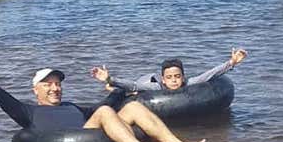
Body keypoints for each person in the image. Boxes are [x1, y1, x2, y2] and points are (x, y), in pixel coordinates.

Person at [0, 38, 206, 142]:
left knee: (132, 106)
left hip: (93, 131)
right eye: (49, 84)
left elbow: (108, 106)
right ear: (36, 90)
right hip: (77, 141)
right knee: (102, 113)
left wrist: (116, 86)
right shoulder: (27, 112)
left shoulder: (72, 107)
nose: (55, 88)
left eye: (58, 84)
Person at [90, 48, 248, 92]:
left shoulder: (189, 83)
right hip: (145, 81)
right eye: (170, 77)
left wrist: (231, 62)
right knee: (133, 92)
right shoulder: (156, 86)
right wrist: (110, 79)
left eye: (177, 76)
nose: (174, 80)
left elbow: (208, 75)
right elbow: (134, 85)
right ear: (163, 79)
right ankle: (110, 88)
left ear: (183, 77)